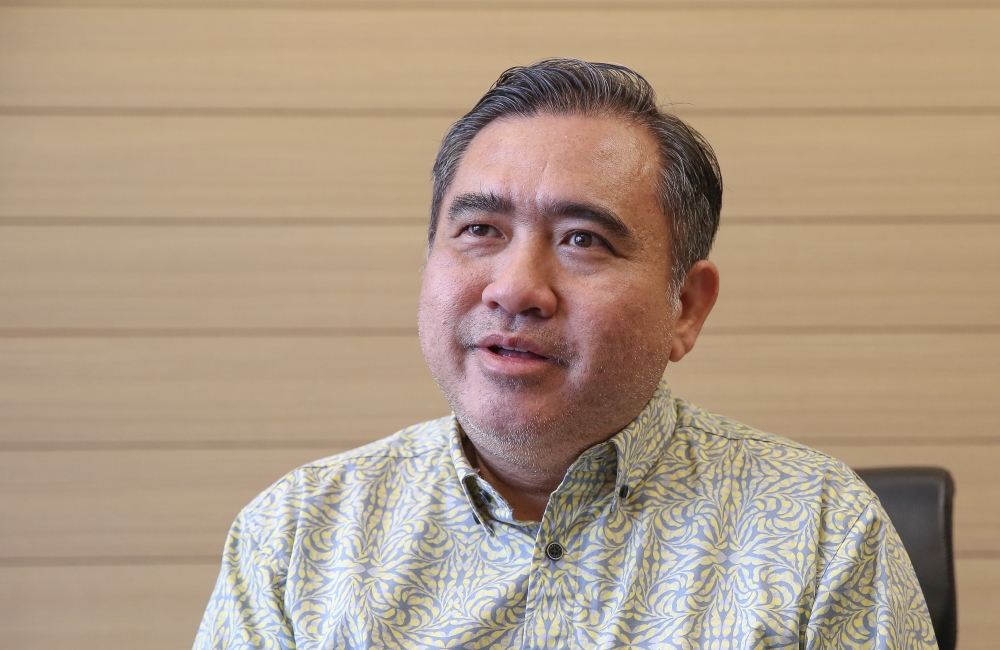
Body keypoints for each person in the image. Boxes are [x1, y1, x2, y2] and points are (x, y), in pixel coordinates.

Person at [194, 59, 937, 649]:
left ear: (686, 307)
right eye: (480, 230)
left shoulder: (822, 532)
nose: (516, 289)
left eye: (583, 239)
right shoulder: (296, 538)